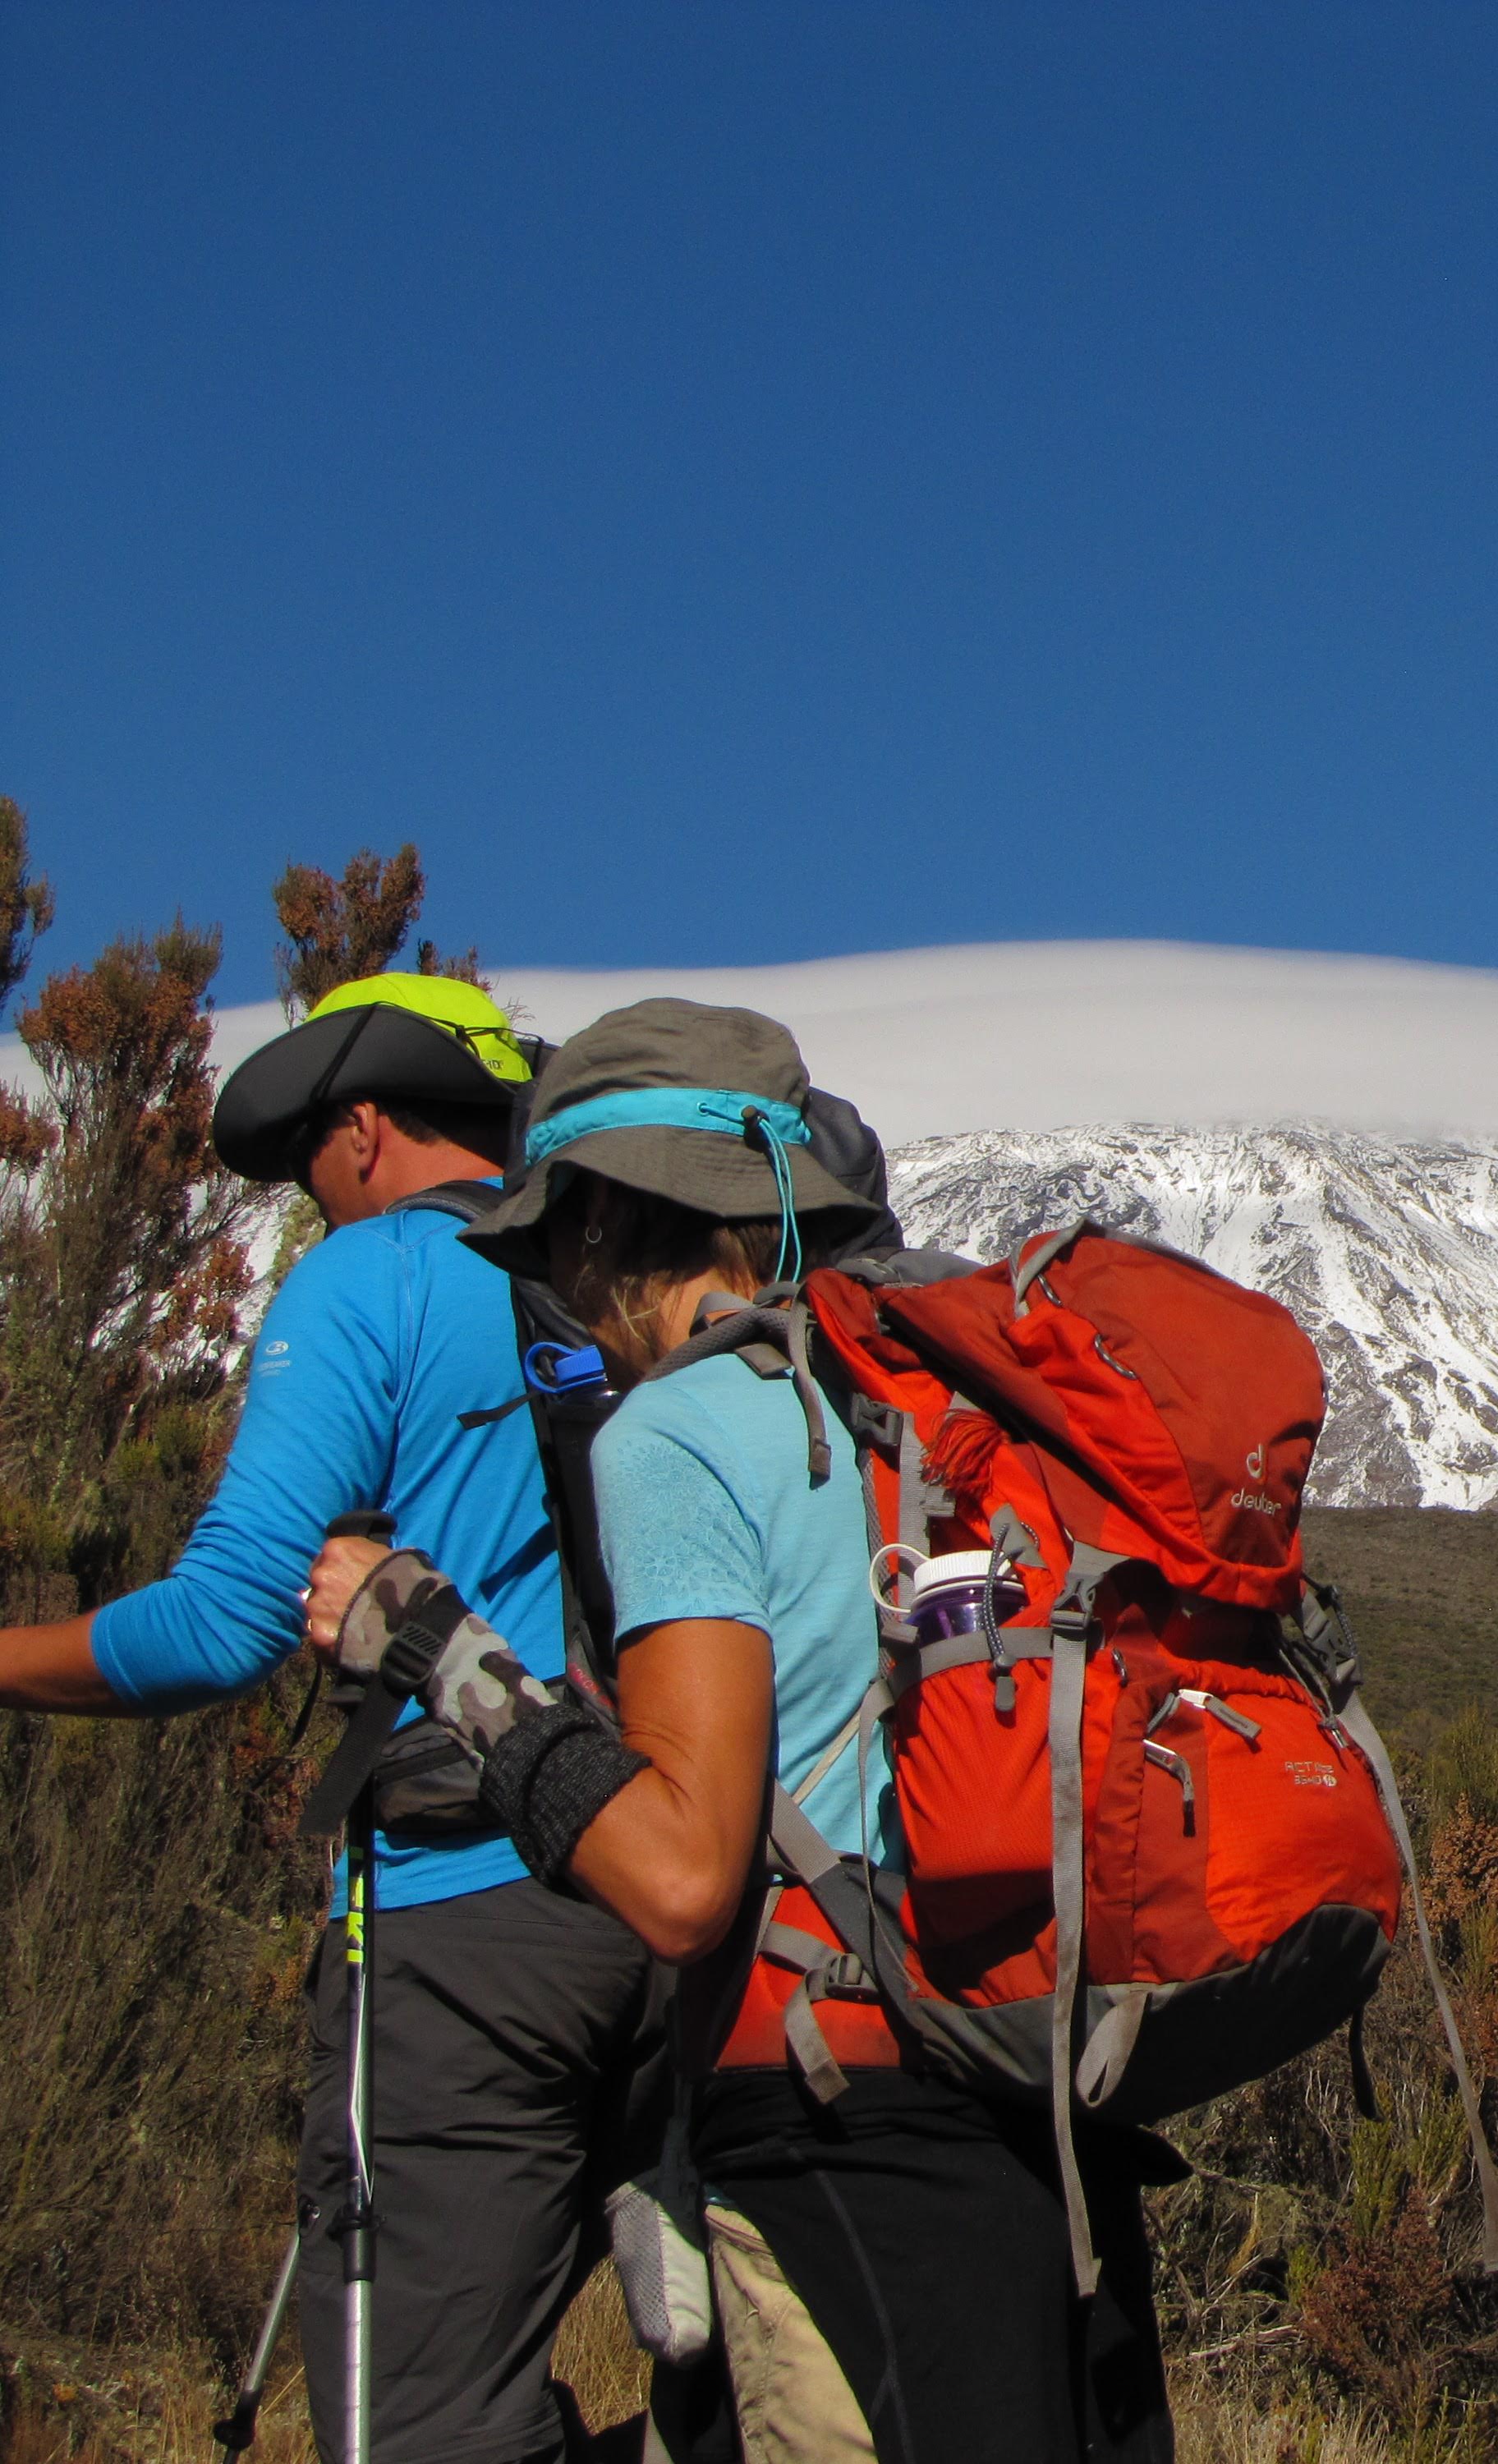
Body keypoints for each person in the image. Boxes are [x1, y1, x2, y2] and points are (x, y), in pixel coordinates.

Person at [301, 997, 1174, 2464]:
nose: (563, 1303)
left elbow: (685, 1877)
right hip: (1036, 2116)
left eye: (561, 1248)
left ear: (607, 1224)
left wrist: (444, 1652)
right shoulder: (941, 1406)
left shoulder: (687, 1428)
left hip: (838, 2129)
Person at [0, 971, 659, 2464]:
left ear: (362, 1129)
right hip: (668, 1887)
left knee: (422, 2428)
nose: (308, 1202)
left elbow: (220, 1622)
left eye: (307, 1167)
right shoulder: (618, 1281)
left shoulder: (370, 1282)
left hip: (459, 1916)